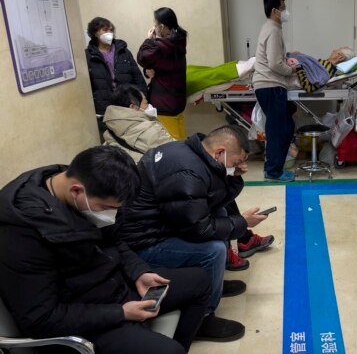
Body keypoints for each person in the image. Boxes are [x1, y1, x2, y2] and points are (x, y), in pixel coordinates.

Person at [0, 146, 223, 353]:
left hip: (113, 287)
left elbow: (115, 241)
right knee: (168, 351)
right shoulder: (23, 233)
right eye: (107, 208)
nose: (111, 215)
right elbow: (41, 318)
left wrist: (139, 272)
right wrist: (121, 313)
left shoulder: (79, 187)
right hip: (84, 318)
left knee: (200, 281)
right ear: (76, 190)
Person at [118, 125, 274, 342]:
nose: (240, 166)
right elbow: (200, 229)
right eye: (236, 162)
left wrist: (232, 175)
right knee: (214, 250)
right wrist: (242, 223)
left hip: (163, 224)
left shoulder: (192, 152)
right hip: (144, 243)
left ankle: (214, 282)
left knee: (220, 213)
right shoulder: (186, 172)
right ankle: (203, 317)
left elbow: (213, 202)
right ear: (220, 152)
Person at [253, 0, 299, 182]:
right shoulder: (273, 30)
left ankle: (273, 169)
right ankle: (273, 172)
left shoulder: (270, 28)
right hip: (270, 85)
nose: (285, 12)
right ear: (275, 11)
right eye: (283, 8)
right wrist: (292, 69)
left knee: (284, 127)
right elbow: (274, 63)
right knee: (279, 130)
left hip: (268, 85)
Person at [85, 17, 147, 141]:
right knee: (112, 142)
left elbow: (137, 76)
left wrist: (143, 98)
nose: (110, 33)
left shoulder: (123, 51)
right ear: (95, 33)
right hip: (105, 109)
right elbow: (88, 86)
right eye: (105, 30)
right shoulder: (88, 56)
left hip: (127, 106)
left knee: (132, 139)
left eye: (111, 30)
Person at [137, 7, 188, 140]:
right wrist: (148, 71)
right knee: (180, 137)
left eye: (155, 23)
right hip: (177, 101)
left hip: (165, 103)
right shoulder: (179, 41)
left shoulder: (161, 46)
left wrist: (149, 40)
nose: (154, 26)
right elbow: (160, 66)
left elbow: (142, 58)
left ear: (161, 26)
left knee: (171, 143)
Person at [103, 84, 176, 162]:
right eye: (146, 103)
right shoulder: (152, 130)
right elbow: (175, 153)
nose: (149, 105)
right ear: (133, 107)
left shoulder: (109, 132)